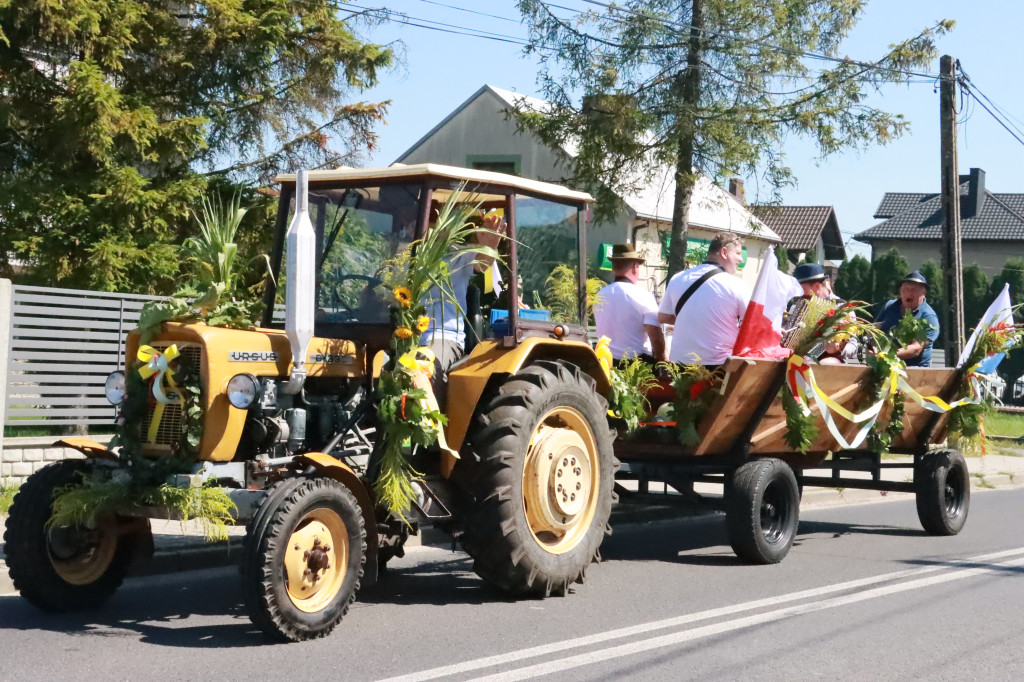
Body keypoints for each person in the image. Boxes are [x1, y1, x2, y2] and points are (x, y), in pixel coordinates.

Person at [420, 211, 506, 374]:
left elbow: (481, 264)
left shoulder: (457, 255)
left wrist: (490, 247)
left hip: (441, 336)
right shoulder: (405, 258)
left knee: (421, 367)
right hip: (401, 334)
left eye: (430, 222)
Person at [658, 232, 752, 365]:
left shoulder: (677, 278)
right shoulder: (737, 285)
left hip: (679, 364)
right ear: (724, 252)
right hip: (717, 367)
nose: (741, 259)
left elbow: (663, 317)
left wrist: (694, 316)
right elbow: (752, 324)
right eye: (737, 253)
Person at [593, 244, 666, 363]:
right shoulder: (643, 295)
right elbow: (655, 336)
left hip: (605, 362)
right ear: (634, 268)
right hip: (637, 364)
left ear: (613, 268)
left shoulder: (600, 294)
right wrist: (662, 359)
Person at [874, 270, 940, 367]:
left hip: (915, 372)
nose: (909, 293)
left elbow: (916, 349)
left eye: (913, 290)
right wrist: (871, 347)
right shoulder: (889, 306)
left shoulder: (928, 317)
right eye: (905, 289)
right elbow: (874, 331)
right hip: (884, 366)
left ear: (924, 293)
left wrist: (886, 355)